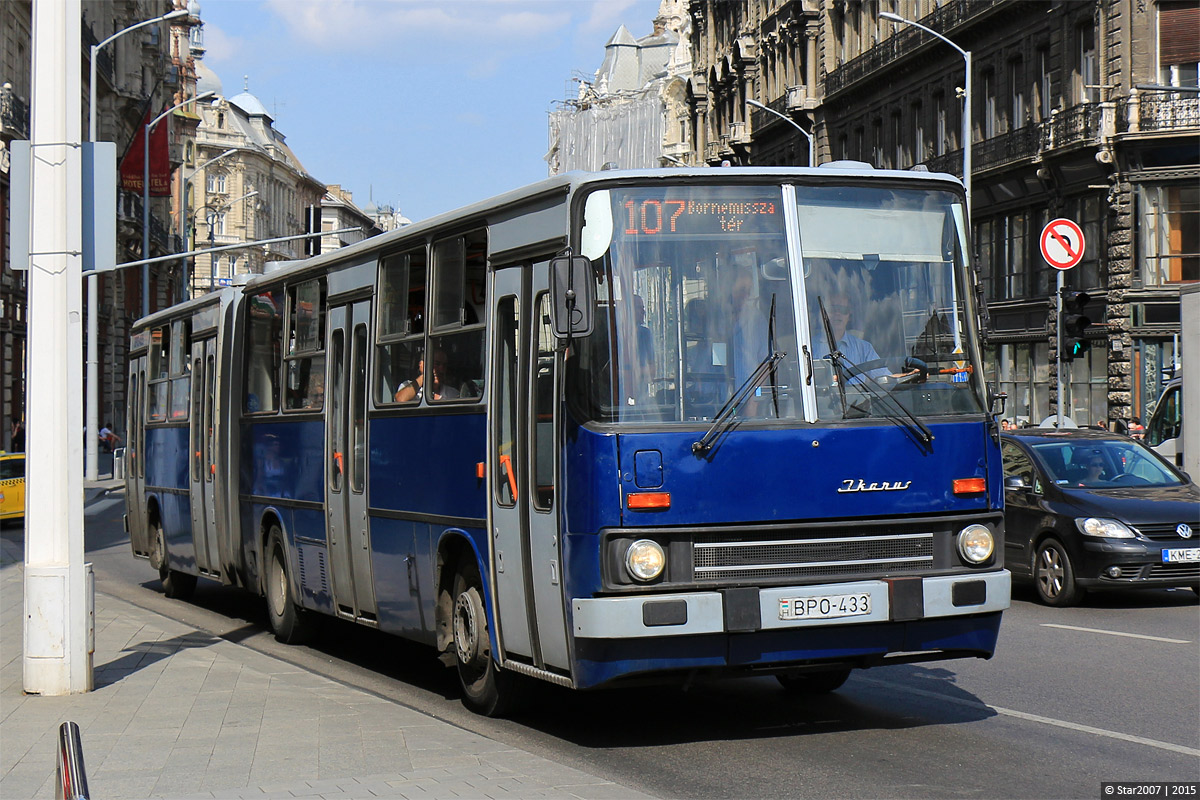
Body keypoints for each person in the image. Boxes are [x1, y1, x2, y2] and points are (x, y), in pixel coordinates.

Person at [810, 291, 916, 385]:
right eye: (833, 309)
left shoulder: (864, 348)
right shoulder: (810, 347)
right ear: (823, 313)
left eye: (843, 309)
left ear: (849, 316)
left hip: (858, 406)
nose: (838, 314)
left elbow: (885, 378)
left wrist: (911, 377)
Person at [394, 348, 460, 403]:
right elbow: (400, 399)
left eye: (444, 365)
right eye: (437, 364)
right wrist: (425, 375)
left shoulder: (453, 393)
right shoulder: (407, 385)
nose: (441, 369)